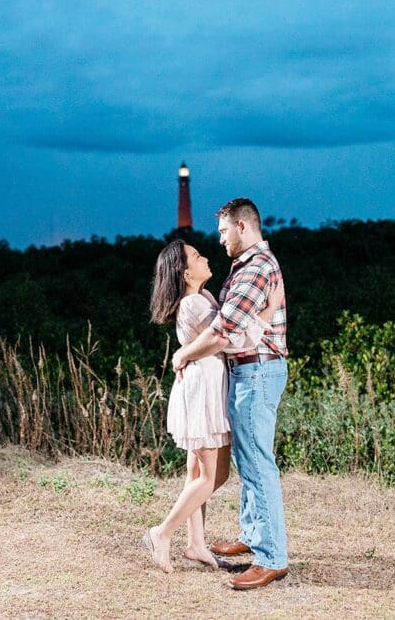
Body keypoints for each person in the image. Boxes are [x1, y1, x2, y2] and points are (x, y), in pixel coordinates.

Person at [171, 198, 290, 591]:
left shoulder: (255, 267)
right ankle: (254, 535)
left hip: (256, 372)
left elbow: (223, 332)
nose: (219, 240)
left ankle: (270, 556)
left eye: (223, 231)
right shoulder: (248, 266)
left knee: (257, 463)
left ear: (242, 226)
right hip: (248, 371)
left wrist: (184, 353)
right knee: (247, 459)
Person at [143, 239, 281, 573]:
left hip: (207, 385)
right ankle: (161, 533)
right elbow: (227, 339)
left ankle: (197, 544)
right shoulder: (193, 304)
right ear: (184, 271)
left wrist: (185, 353)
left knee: (200, 473)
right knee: (210, 475)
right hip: (203, 390)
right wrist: (267, 311)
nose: (204, 256)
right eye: (195, 256)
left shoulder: (202, 297)